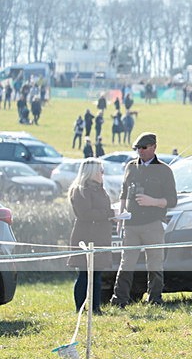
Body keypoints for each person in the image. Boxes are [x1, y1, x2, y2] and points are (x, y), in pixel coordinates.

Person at [110, 132, 178, 307]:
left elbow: (172, 200)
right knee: (126, 263)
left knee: (155, 263)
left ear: (154, 147)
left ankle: (155, 299)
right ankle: (119, 300)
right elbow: (124, 193)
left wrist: (152, 202)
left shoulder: (164, 170)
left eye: (143, 147)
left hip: (153, 224)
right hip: (131, 224)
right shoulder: (131, 167)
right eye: (137, 148)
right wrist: (121, 214)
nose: (140, 151)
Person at [67, 159, 113, 314]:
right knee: (85, 275)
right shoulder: (80, 190)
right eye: (101, 170)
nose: (102, 174)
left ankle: (95, 307)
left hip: (100, 236)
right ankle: (80, 308)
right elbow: (85, 214)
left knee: (97, 275)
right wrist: (109, 214)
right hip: (86, 237)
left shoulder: (100, 189)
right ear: (92, 172)